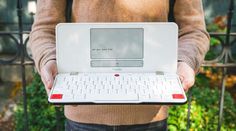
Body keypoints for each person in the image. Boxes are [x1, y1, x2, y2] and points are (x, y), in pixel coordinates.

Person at [29, 0, 210, 130]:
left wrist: (185, 61)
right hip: (82, 116)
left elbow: (193, 30)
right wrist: (48, 59)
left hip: (149, 115)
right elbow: (44, 29)